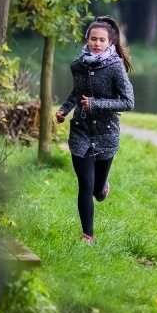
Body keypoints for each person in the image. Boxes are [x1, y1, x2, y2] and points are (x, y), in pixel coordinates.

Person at [55, 16, 134, 245]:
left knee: (97, 190)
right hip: (81, 130)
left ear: (110, 43)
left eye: (101, 40)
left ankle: (104, 187)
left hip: (106, 133)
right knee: (85, 185)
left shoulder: (116, 67)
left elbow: (128, 102)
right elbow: (75, 94)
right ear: (87, 40)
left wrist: (96, 104)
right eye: (93, 39)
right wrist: (64, 109)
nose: (96, 44)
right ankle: (87, 235)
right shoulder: (77, 65)